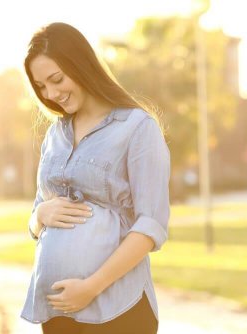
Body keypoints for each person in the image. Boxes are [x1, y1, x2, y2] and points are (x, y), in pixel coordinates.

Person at [20, 22, 170, 334]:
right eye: (41, 86)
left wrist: (91, 286)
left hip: (118, 308)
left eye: (56, 79)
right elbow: (38, 216)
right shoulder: (55, 135)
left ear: (82, 65)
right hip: (58, 308)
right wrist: (38, 216)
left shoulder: (137, 128)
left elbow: (150, 226)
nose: (51, 93)